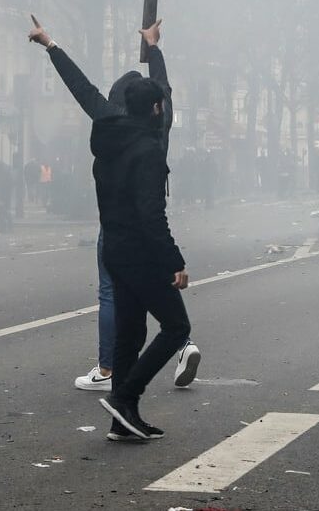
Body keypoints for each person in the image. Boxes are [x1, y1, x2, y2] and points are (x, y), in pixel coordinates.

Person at [28, 15, 200, 394]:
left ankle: (110, 374)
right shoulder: (160, 124)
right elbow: (165, 89)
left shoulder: (108, 121)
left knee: (118, 303)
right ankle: (162, 362)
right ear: (152, 105)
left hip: (117, 232)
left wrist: (51, 45)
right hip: (150, 231)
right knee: (164, 306)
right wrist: (153, 47)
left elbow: (81, 88)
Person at [90, 77, 190, 440]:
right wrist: (174, 261)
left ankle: (123, 421)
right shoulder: (147, 150)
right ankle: (125, 397)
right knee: (177, 327)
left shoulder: (109, 145)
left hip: (114, 248)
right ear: (156, 109)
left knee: (130, 334)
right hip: (141, 253)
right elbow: (151, 214)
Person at [0, 161, 14, 233]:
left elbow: (3, 185)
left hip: (4, 195)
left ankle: (6, 227)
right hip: (4, 195)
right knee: (3, 211)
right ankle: (6, 227)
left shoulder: (4, 175)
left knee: (3, 211)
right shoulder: (6, 173)